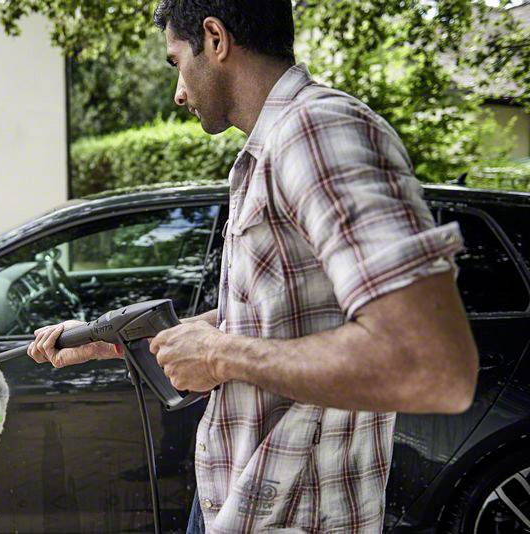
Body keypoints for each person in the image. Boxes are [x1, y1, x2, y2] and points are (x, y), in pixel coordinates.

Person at [28, 1, 479, 531]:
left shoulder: (315, 131)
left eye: (176, 61)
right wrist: (118, 340)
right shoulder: (269, 151)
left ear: (215, 40)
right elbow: (281, 320)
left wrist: (221, 357)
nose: (177, 92)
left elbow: (432, 365)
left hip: (295, 516)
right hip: (236, 498)